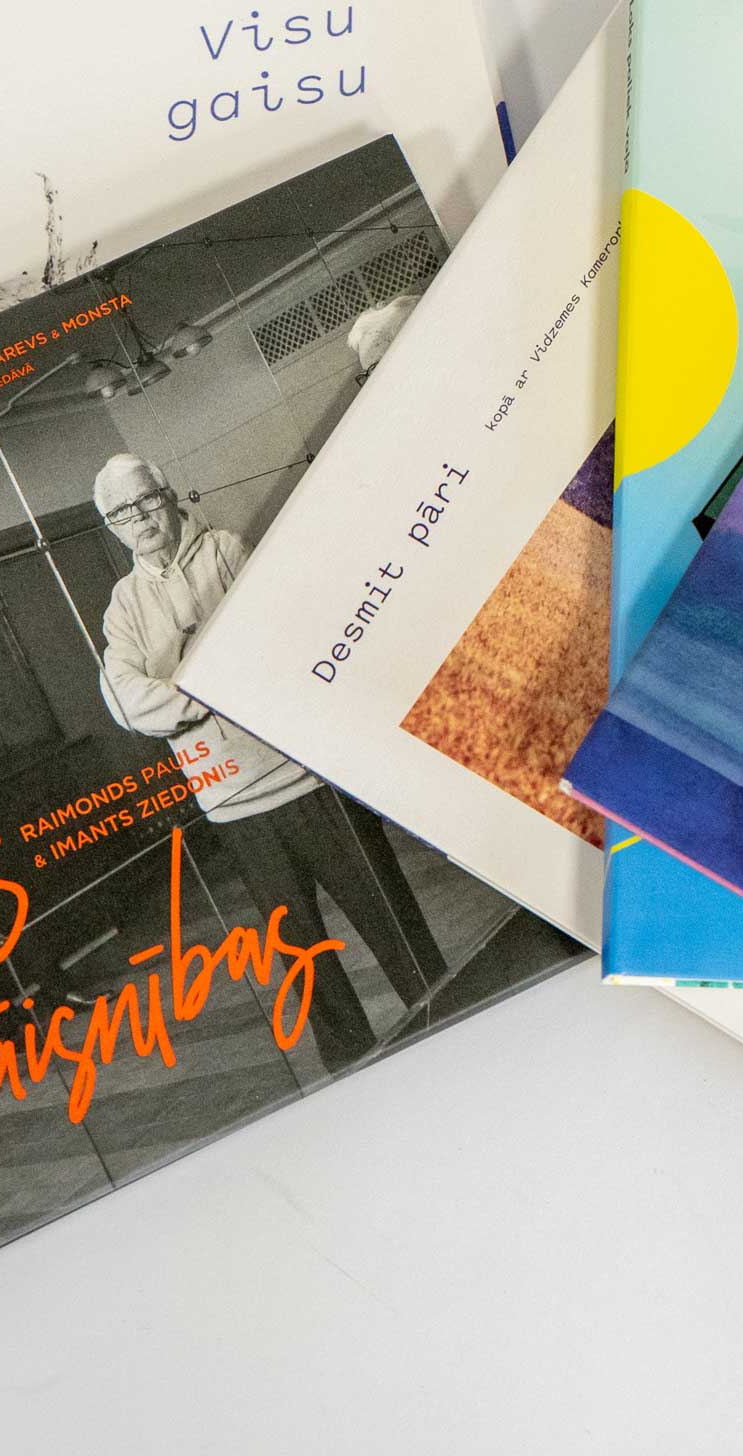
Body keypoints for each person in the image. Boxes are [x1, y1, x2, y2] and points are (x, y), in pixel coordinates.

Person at [91, 452, 448, 1072]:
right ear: (112, 527)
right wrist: (210, 685)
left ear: (168, 496)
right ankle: (351, 1067)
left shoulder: (227, 550)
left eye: (146, 499)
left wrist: (176, 681)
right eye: (122, 511)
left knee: (392, 922)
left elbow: (276, 646)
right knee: (302, 958)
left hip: (307, 781)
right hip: (233, 807)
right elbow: (126, 704)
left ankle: (454, 1017)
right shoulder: (122, 607)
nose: (140, 517)